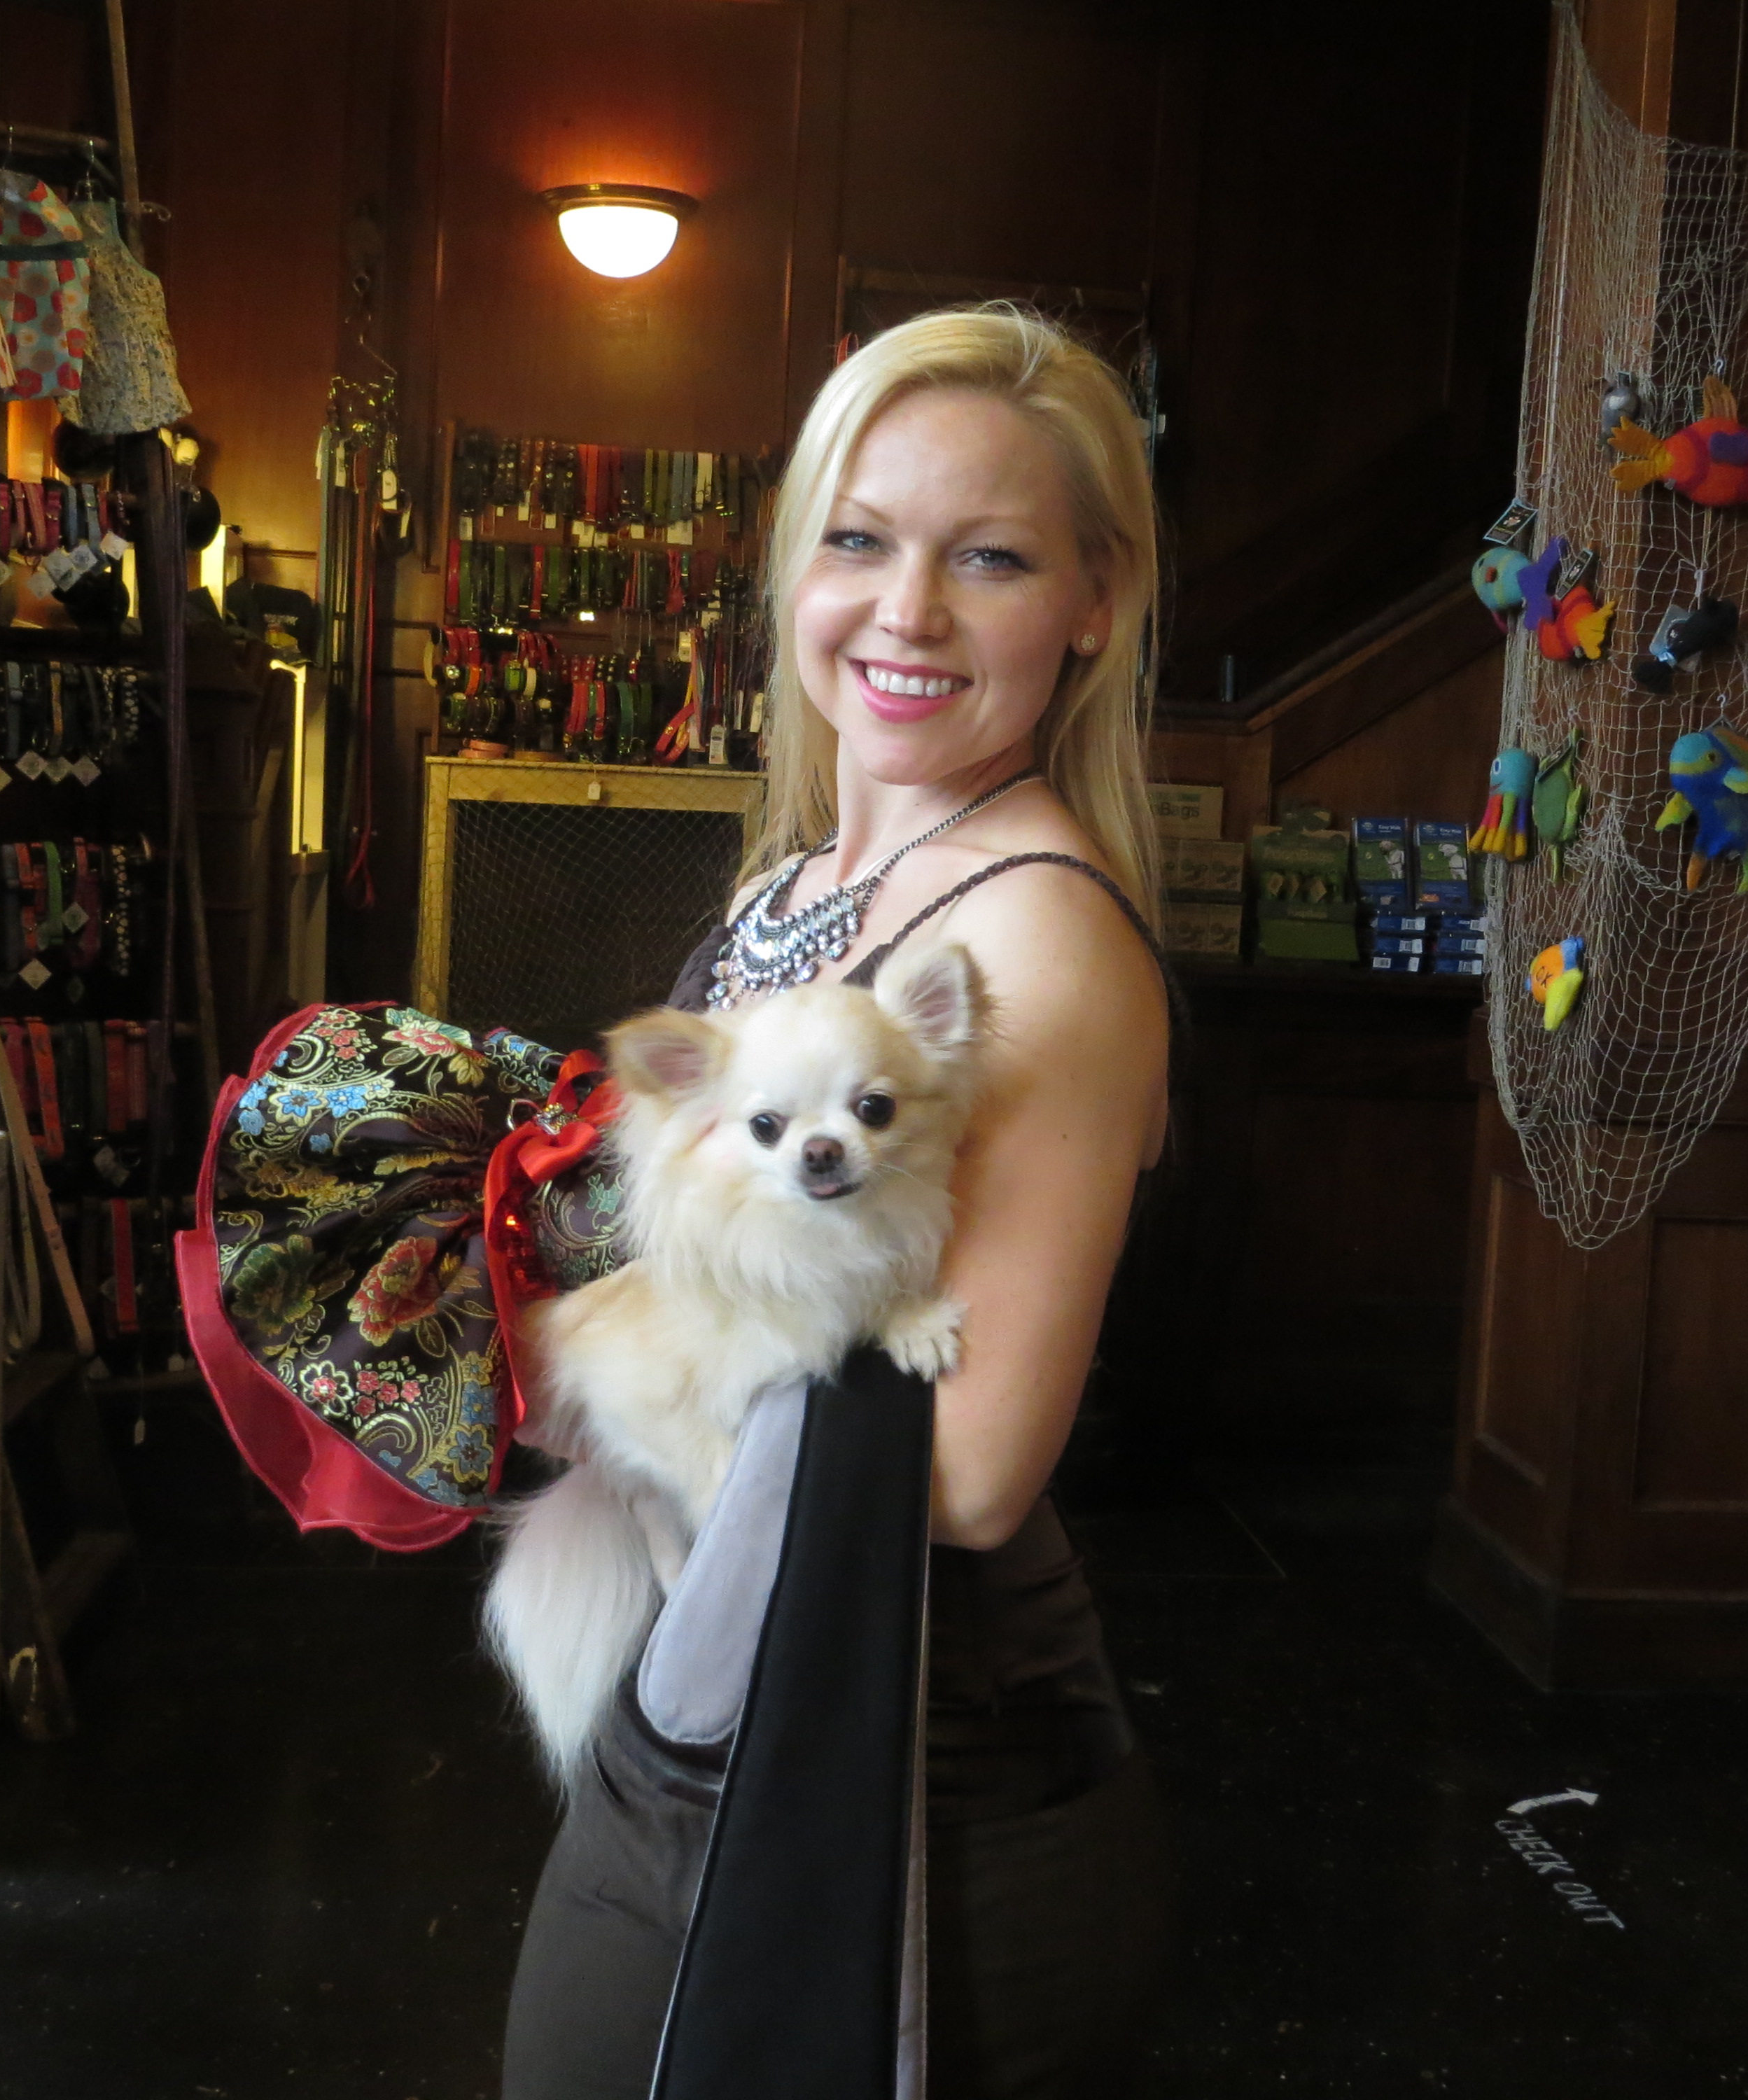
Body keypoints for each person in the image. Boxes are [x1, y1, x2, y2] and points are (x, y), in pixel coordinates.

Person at [503, 306, 1175, 2099]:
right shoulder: (799, 880)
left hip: (913, 1774)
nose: (906, 611)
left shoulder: (1034, 936)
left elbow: (969, 1471)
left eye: (990, 559)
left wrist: (634, 1353)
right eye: (859, 539)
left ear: (1094, 600)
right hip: (731, 1684)